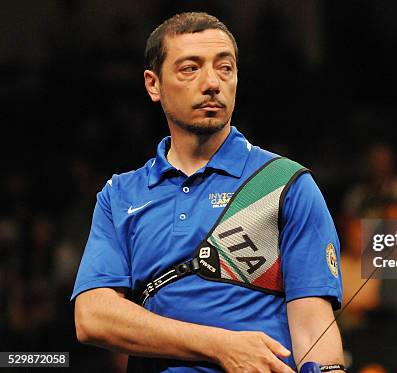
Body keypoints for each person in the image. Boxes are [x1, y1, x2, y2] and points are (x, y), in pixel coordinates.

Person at [71, 12, 344, 373]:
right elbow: (92, 318)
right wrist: (220, 345)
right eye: (190, 68)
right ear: (154, 85)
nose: (212, 82)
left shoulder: (285, 184)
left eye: (225, 68)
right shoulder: (119, 194)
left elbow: (314, 328)